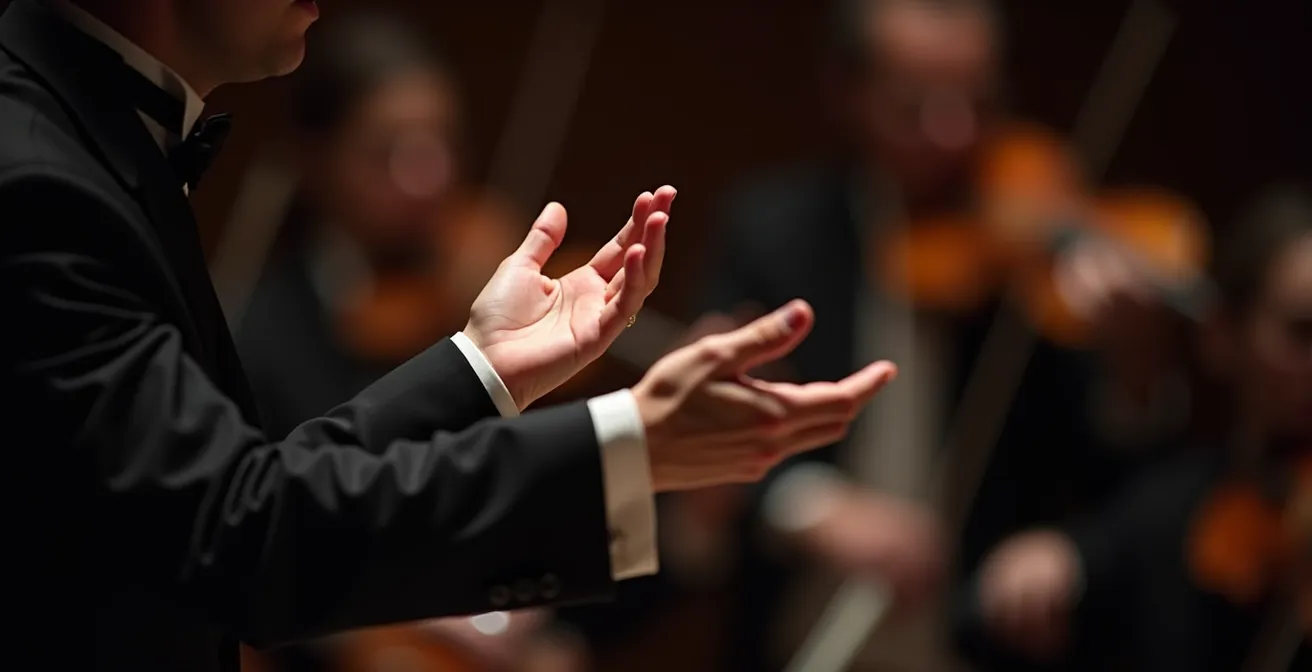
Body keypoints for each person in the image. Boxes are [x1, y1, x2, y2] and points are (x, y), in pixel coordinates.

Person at [0, 1, 897, 671]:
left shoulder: (79, 140)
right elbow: (241, 541)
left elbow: (252, 489)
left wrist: (481, 364)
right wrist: (626, 447)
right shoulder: (38, 181)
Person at [694, 1, 1183, 669]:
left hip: (982, 644)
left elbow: (1118, 477)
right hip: (796, 636)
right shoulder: (775, 234)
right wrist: (811, 508)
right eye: (915, 105)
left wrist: (1135, 360)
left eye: (978, 101)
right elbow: (705, 438)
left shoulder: (1038, 254)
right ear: (848, 93)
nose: (954, 133)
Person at [968, 185, 1312, 671]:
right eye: (1304, 332)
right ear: (1222, 336)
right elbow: (975, 622)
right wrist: (1039, 568)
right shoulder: (1174, 505)